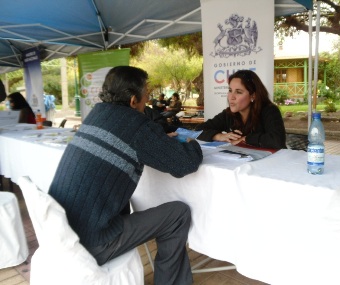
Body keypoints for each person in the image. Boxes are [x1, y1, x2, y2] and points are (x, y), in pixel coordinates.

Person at [48, 66, 203, 285]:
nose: (148, 99)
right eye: (146, 95)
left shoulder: (95, 114)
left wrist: (157, 140)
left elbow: (129, 141)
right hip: (93, 242)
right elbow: (185, 164)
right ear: (133, 100)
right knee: (178, 215)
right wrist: (191, 142)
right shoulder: (136, 125)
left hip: (62, 233)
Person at [196, 69, 287, 149]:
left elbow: (277, 140)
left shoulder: (270, 111)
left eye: (238, 92)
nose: (231, 97)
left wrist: (244, 139)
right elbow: (198, 130)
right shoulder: (229, 114)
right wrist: (218, 136)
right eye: (230, 90)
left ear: (253, 96)